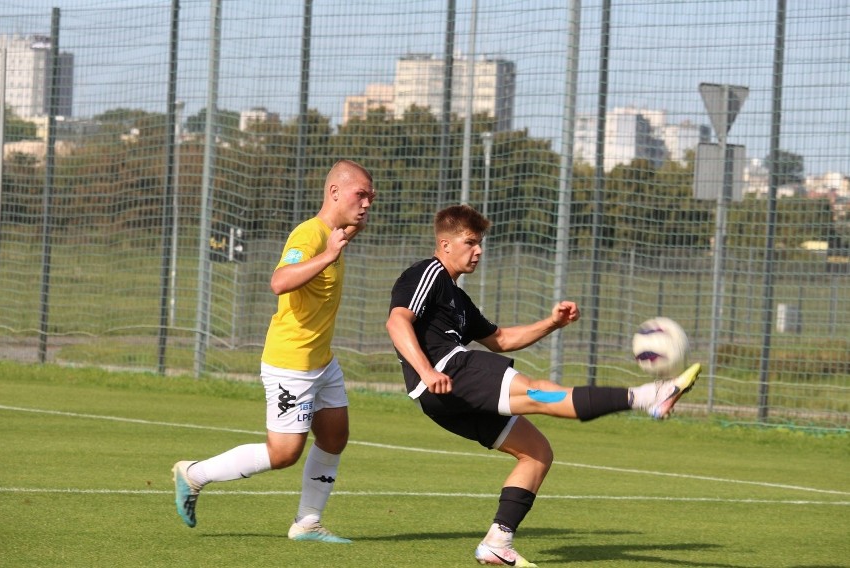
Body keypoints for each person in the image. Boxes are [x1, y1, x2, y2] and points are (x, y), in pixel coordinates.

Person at [385, 204, 700, 567]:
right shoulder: (429, 272)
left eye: (480, 242)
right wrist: (427, 370)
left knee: (536, 452)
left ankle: (497, 543)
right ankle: (650, 395)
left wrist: (551, 323)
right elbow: (397, 323)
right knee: (538, 391)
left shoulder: (457, 296)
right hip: (447, 370)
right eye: (470, 242)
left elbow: (500, 339)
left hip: (441, 395)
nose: (479, 250)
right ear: (444, 244)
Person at [173, 159, 375, 544]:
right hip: (292, 364)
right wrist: (329, 253)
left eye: (371, 197)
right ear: (334, 193)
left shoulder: (332, 233)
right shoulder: (309, 236)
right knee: (283, 454)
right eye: (359, 194)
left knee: (335, 437)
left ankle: (307, 523)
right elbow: (280, 281)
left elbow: (336, 242)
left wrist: (346, 234)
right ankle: (193, 474)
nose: (367, 203)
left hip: (322, 361)